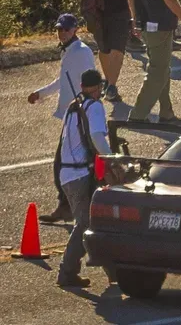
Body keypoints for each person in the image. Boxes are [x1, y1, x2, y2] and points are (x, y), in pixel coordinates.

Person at [27, 14, 96, 223]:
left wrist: (85, 108)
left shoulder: (82, 52)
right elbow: (62, 79)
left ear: (75, 29)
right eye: (59, 29)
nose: (61, 33)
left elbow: (90, 80)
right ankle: (70, 207)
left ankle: (72, 207)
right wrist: (41, 93)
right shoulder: (69, 51)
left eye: (65, 29)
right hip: (70, 114)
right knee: (70, 162)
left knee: (64, 163)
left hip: (79, 114)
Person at [56, 69, 114, 287]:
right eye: (99, 87)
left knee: (95, 223)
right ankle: (67, 272)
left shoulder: (72, 107)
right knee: (86, 224)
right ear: (96, 87)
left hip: (66, 175)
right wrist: (111, 161)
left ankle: (113, 272)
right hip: (81, 174)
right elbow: (97, 137)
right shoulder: (95, 107)